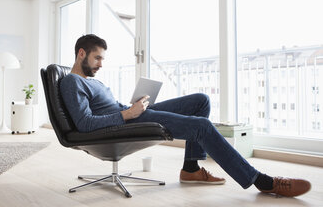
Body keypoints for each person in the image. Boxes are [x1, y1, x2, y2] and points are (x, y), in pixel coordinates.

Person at [60, 34, 311, 197]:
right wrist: (127, 114)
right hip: (127, 122)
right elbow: (84, 124)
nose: (101, 64)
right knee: (201, 126)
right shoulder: (72, 82)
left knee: (200, 101)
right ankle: (260, 181)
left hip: (131, 115)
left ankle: (190, 168)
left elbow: (109, 109)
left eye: (102, 59)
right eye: (97, 58)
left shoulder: (94, 82)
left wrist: (133, 106)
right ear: (81, 53)